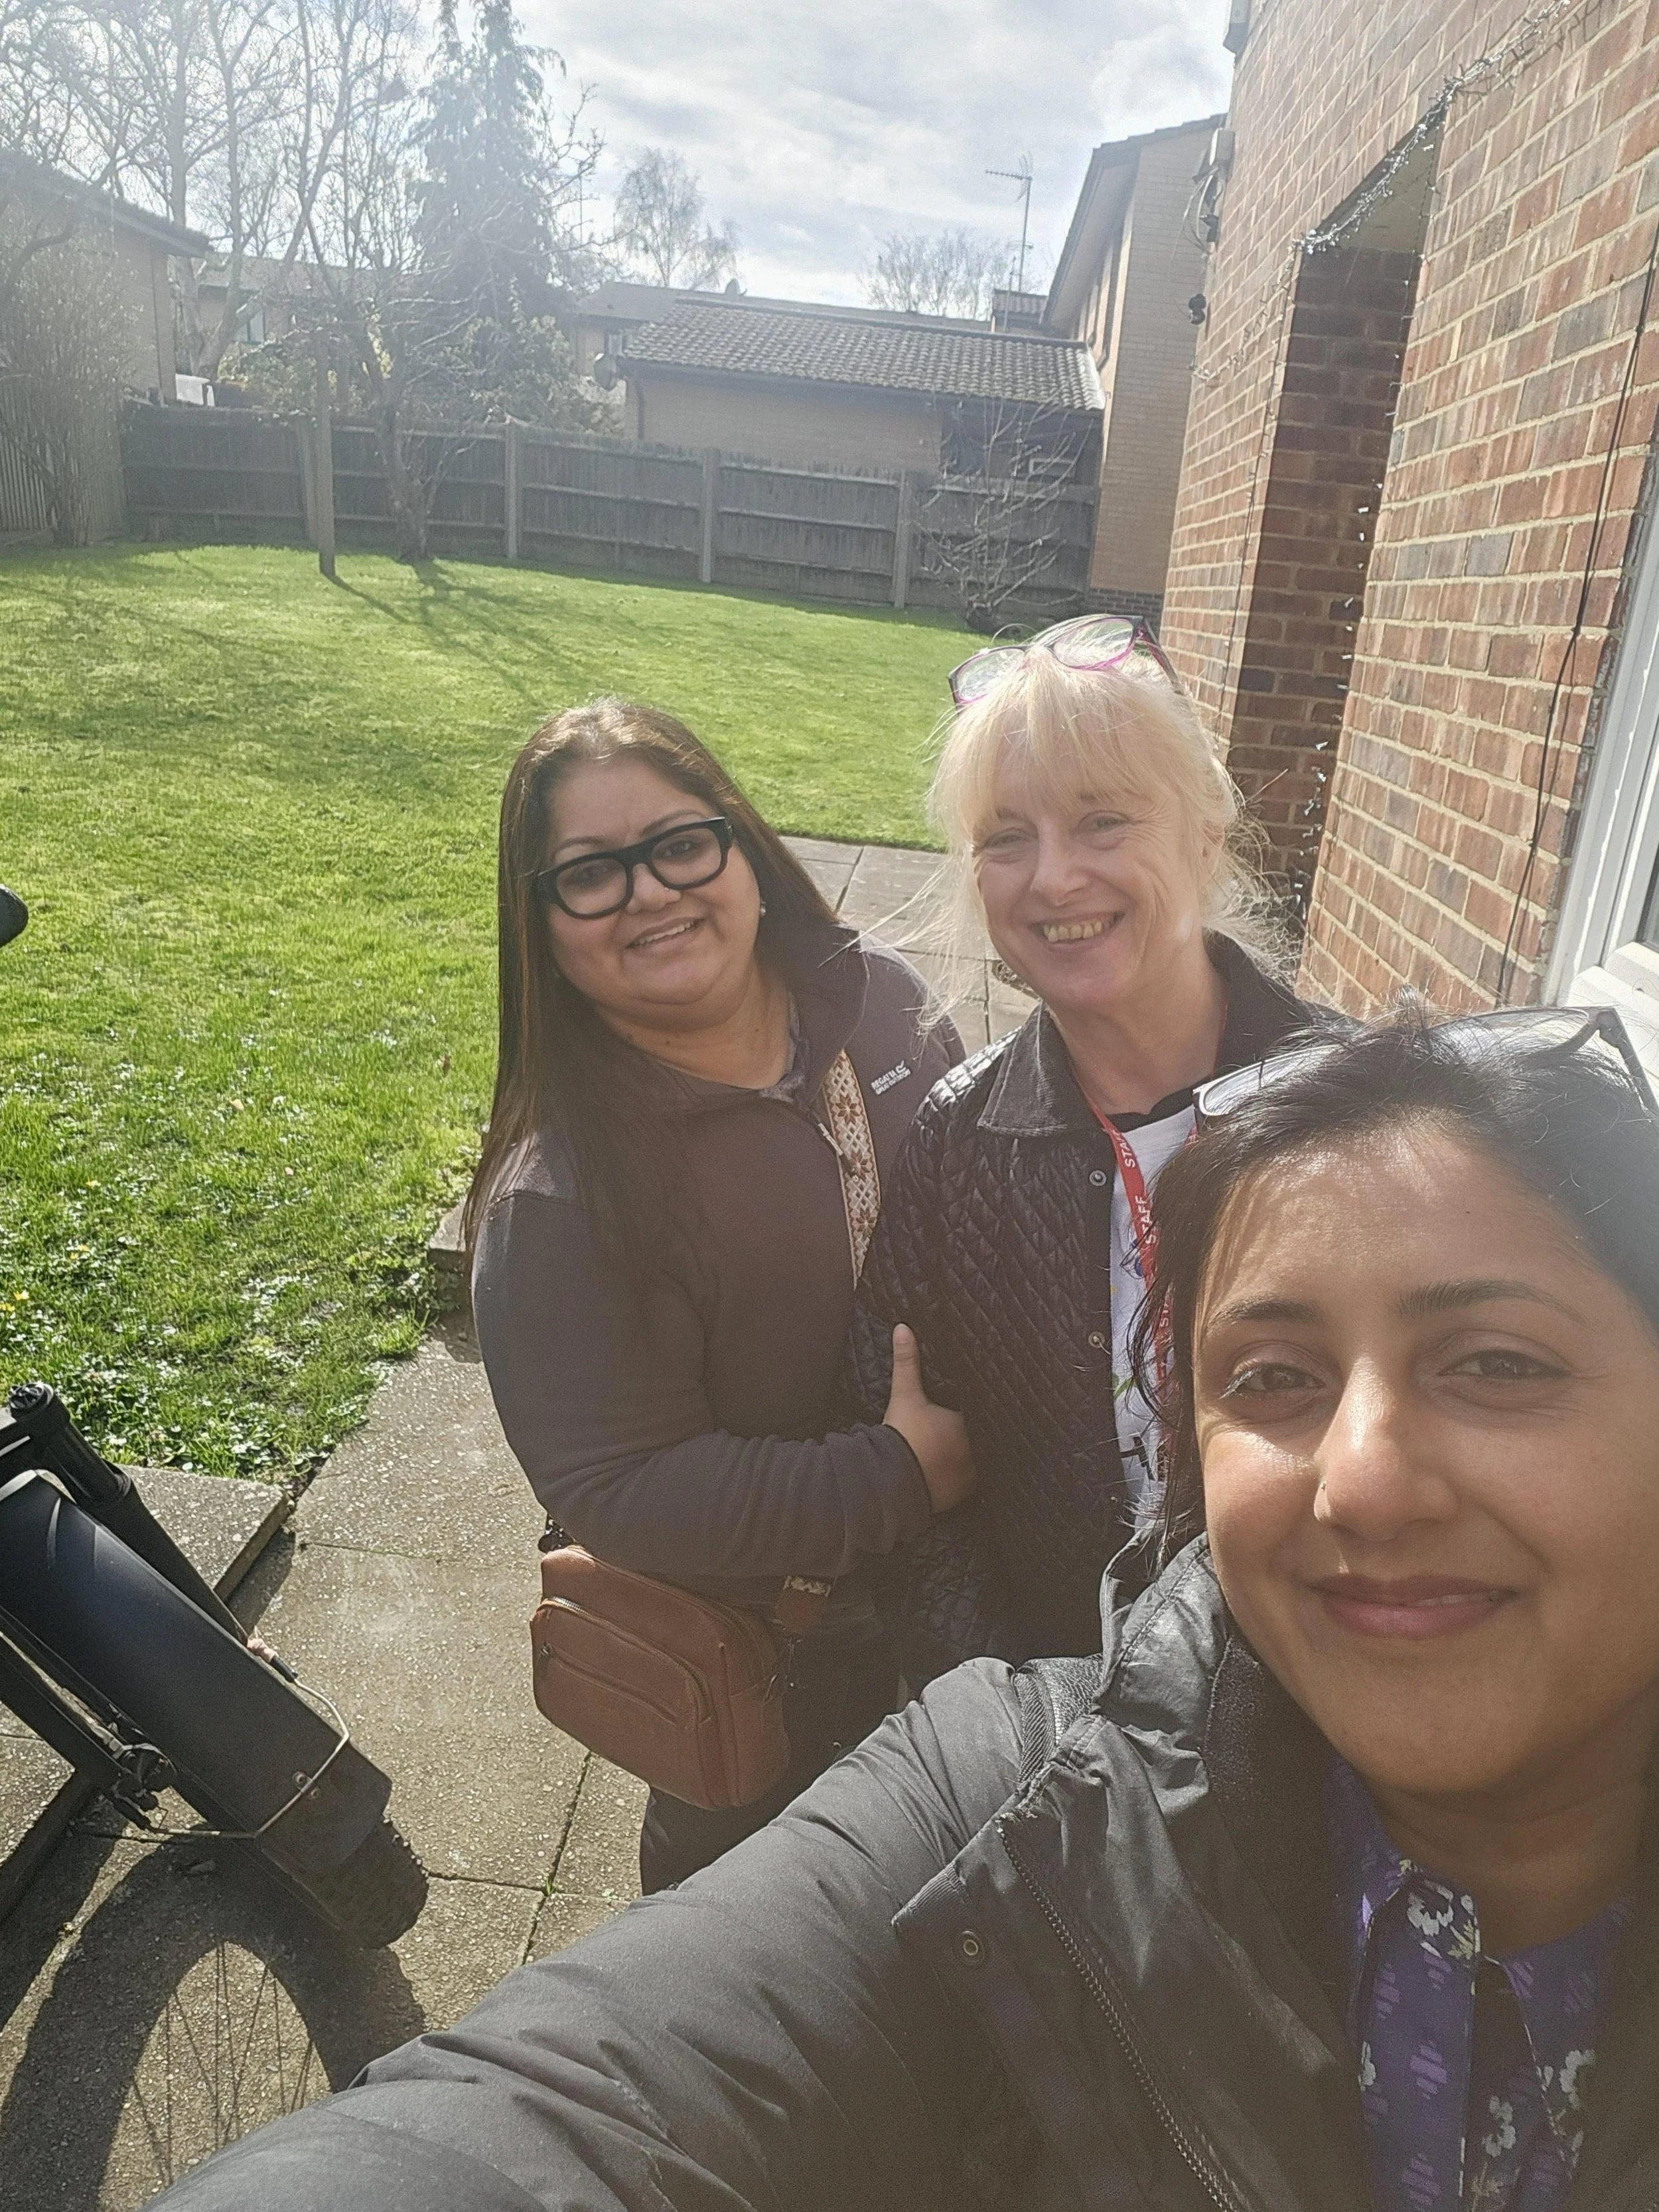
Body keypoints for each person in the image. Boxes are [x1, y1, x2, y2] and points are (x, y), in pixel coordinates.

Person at [151, 1005, 1659, 2212]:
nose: (1363, 1479)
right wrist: (895, 1500)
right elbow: (574, 2100)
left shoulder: (879, 1034)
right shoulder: (1017, 1804)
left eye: (1496, 1363)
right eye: (1271, 1377)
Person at [462, 698, 968, 1891]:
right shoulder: (561, 1202)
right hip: (784, 1657)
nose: (648, 892)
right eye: (589, 874)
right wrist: (895, 1476)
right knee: (764, 1978)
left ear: (739, 844)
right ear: (540, 923)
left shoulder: (884, 1005)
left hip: (973, 1600)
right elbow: (621, 1492)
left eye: (679, 844)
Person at [843, 613, 1311, 1684]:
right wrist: (1030, 1713)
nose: (1053, 878)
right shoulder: (961, 1144)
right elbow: (915, 1488)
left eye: (1104, 821)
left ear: (1203, 830)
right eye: (1008, 838)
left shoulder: (1355, 1113)